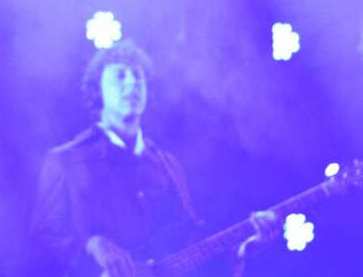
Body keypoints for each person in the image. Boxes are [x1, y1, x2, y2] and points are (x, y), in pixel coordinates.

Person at [29, 41, 276, 277]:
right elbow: (41, 249)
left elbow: (190, 251)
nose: (132, 84)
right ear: (98, 90)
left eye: (138, 76)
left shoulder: (169, 166)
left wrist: (244, 247)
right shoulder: (66, 160)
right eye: (120, 75)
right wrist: (90, 245)